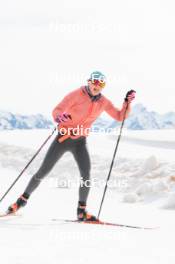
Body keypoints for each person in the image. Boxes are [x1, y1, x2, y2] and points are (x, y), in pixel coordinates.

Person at [7, 71, 135, 221]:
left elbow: (120, 116)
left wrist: (127, 103)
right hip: (63, 139)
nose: (96, 85)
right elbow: (58, 110)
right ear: (89, 81)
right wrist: (59, 117)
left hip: (80, 142)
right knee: (43, 171)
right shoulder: (76, 94)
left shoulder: (103, 102)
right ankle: (20, 202)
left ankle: (81, 212)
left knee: (86, 175)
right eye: (94, 81)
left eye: (101, 83)